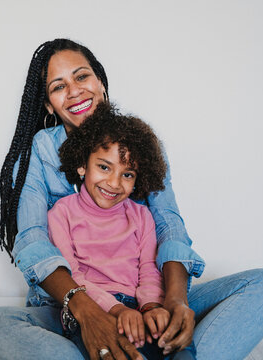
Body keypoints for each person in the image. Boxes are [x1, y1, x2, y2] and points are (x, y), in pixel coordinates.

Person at [0, 38, 263, 360]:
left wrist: (174, 302)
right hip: (71, 306)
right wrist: (90, 314)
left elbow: (168, 223)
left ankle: (165, 345)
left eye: (82, 77)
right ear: (48, 104)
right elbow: (31, 240)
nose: (74, 91)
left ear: (100, 81)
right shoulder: (35, 154)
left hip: (146, 300)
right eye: (59, 86)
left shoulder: (140, 143)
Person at [48, 102, 197, 360]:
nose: (114, 183)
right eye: (104, 167)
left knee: (177, 346)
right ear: (83, 165)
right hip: (93, 309)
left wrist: (152, 307)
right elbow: (72, 275)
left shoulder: (141, 216)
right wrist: (116, 310)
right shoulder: (62, 213)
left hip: (139, 306)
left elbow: (149, 269)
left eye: (127, 174)